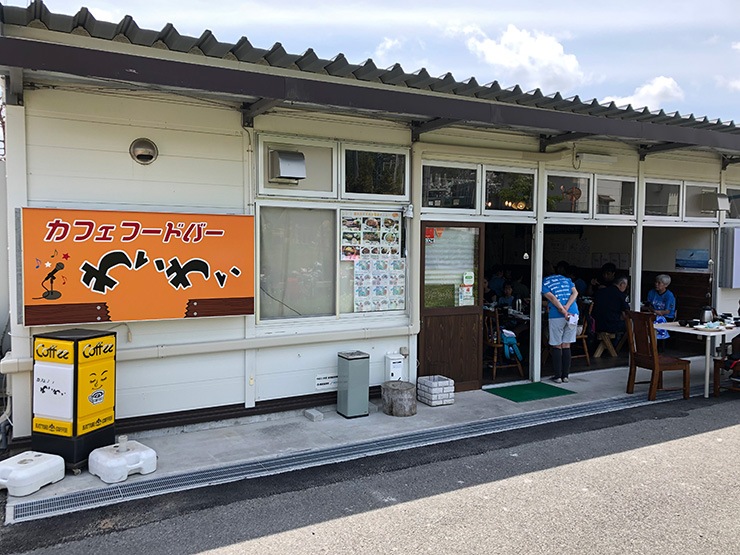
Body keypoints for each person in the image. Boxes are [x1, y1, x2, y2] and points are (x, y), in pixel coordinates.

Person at [542, 260, 579, 383]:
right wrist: (567, 307)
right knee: (567, 344)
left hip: (557, 315)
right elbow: (575, 293)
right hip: (573, 312)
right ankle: (566, 376)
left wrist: (563, 311)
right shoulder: (566, 279)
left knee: (557, 345)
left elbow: (552, 298)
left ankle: (558, 376)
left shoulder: (544, 282)